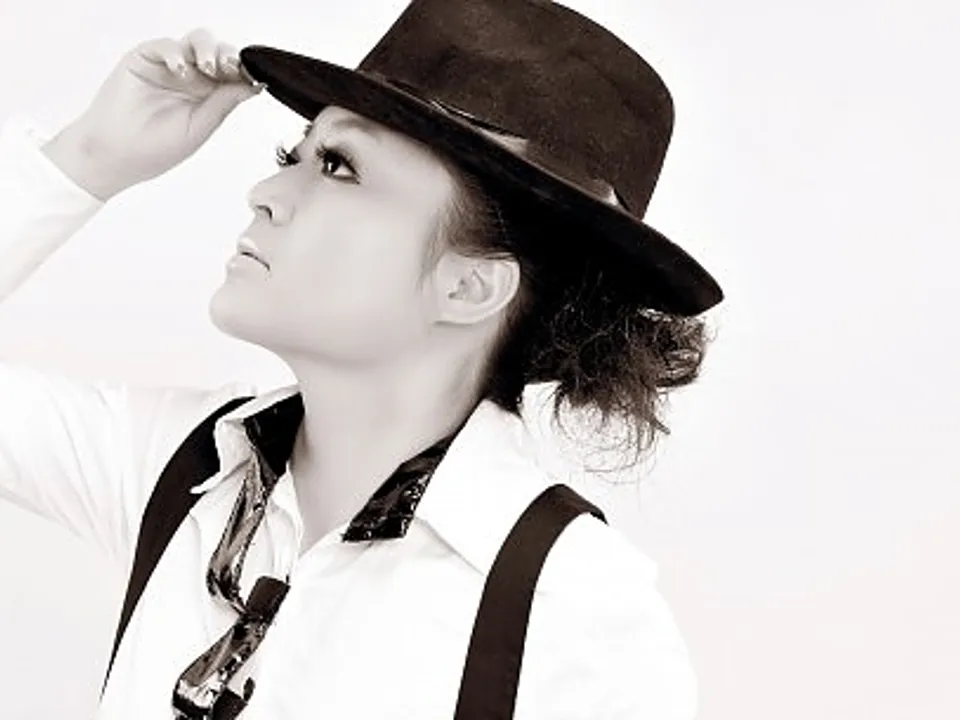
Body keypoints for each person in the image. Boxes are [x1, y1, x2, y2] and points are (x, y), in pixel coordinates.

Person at [0, 1, 723, 718]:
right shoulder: (185, 466)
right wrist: (87, 159)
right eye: (292, 157)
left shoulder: (576, 614)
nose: (265, 194)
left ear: (469, 286)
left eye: (337, 166)